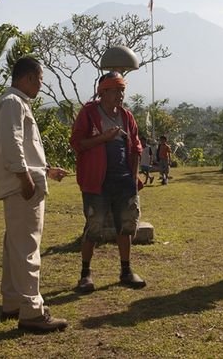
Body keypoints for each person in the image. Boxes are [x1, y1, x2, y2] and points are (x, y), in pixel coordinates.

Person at [0, 56, 68, 333]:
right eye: (40, 79)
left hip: (24, 181)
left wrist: (45, 170)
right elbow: (11, 143)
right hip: (22, 185)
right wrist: (25, 178)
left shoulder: (15, 102)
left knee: (16, 245)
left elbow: (24, 147)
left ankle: (13, 302)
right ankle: (32, 311)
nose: (41, 85)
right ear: (29, 78)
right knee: (27, 248)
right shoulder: (13, 102)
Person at [70, 71, 146, 293]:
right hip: (97, 182)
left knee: (128, 224)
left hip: (124, 181)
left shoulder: (126, 116)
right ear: (103, 91)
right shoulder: (89, 113)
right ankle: (85, 274)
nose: (121, 94)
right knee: (94, 226)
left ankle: (126, 270)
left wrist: (134, 176)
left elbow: (137, 146)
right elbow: (77, 143)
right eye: (116, 90)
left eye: (123, 89)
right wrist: (104, 137)